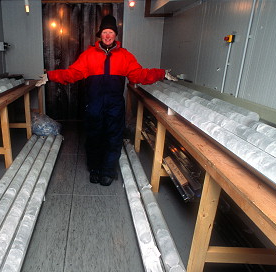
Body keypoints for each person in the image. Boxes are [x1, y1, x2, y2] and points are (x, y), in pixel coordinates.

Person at [36, 15, 177, 186]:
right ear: (100, 35)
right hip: (93, 106)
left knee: (113, 138)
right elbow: (72, 74)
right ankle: (95, 169)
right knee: (94, 138)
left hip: (115, 107)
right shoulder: (88, 55)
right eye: (105, 32)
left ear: (115, 35)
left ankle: (108, 171)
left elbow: (140, 75)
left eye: (111, 32)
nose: (108, 35)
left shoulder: (125, 56)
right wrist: (50, 76)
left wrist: (162, 73)